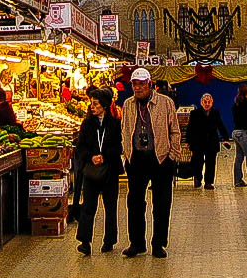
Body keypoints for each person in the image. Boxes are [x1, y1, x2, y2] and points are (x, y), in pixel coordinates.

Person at [120, 67, 183, 258]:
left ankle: (158, 244)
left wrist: (173, 154)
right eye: (135, 84)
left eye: (141, 84)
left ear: (150, 85)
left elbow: (175, 130)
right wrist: (126, 155)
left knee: (162, 203)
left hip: (161, 158)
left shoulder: (165, 103)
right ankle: (137, 243)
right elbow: (124, 129)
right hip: (136, 159)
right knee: (135, 203)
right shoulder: (128, 105)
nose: (137, 88)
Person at [74, 88, 122, 255]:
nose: (92, 107)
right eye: (91, 104)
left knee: (110, 206)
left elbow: (118, 146)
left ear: (105, 105)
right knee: (88, 206)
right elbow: (80, 147)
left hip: (109, 170)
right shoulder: (87, 124)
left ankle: (109, 240)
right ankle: (85, 241)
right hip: (91, 171)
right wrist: (90, 157)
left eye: (96, 104)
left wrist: (105, 156)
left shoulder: (115, 124)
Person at [185, 93, 229, 188]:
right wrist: (188, 141)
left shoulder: (216, 113)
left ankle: (209, 182)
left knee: (211, 163)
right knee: (197, 162)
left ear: (212, 103)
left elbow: (220, 126)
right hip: (198, 142)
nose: (207, 103)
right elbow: (190, 128)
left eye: (209, 102)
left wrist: (226, 138)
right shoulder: (195, 113)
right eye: (205, 102)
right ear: (201, 103)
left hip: (211, 142)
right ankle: (197, 178)